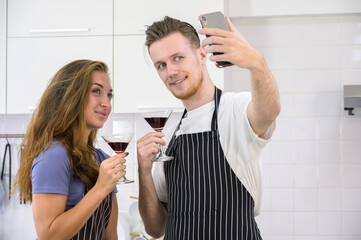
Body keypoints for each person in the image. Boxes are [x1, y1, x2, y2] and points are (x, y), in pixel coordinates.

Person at [137, 16, 280, 240]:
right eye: (161, 65)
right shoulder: (171, 137)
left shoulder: (236, 109)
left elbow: (268, 112)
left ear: (202, 55)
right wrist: (143, 171)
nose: (171, 71)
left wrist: (257, 63)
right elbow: (155, 229)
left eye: (178, 58)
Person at [12, 59, 125, 240]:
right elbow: (47, 235)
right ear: (71, 96)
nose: (107, 104)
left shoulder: (102, 159)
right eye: (96, 91)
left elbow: (110, 235)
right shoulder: (54, 155)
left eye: (109, 95)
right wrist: (100, 188)